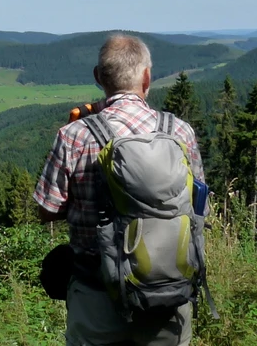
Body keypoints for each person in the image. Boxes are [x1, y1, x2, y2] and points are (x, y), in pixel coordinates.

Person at [33, 34, 205, 346]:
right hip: (168, 295)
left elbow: (46, 210)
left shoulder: (74, 135)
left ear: (98, 78)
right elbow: (197, 206)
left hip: (95, 295)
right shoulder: (179, 132)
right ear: (147, 76)